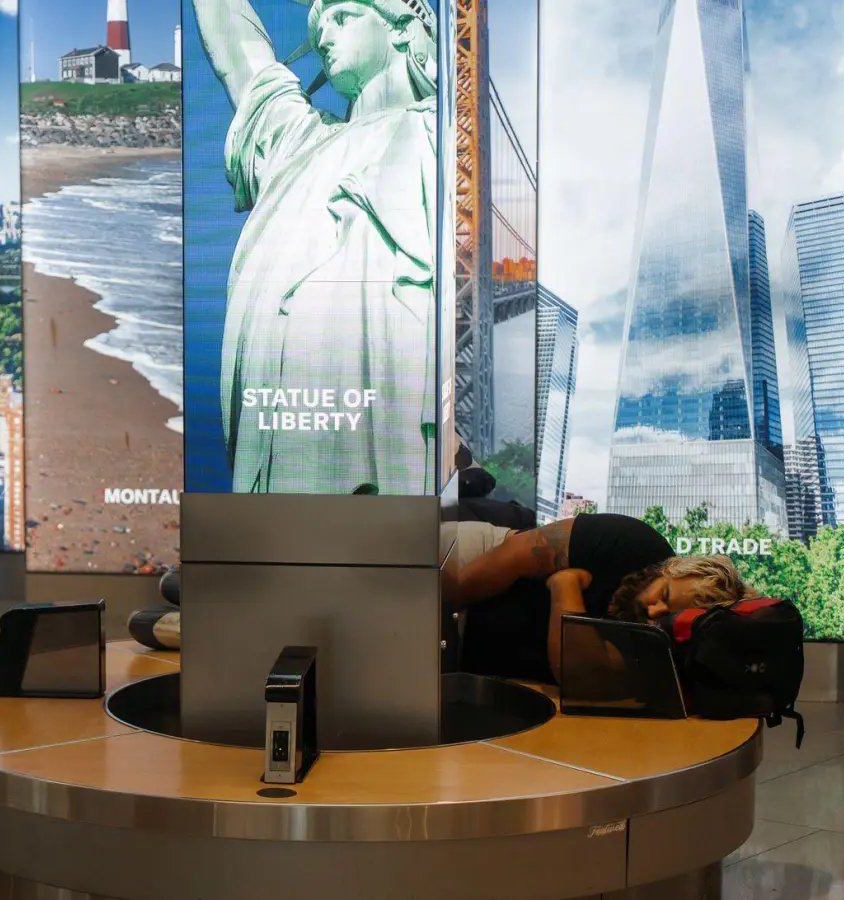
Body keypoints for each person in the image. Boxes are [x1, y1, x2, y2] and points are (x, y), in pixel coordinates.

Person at [195, 0, 445, 494]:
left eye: (343, 16)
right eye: (319, 26)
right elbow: (237, 48)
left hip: (390, 404)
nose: (325, 36)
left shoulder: (444, 136)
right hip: (289, 429)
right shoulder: (299, 141)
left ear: (402, 29)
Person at [449, 513, 752, 684]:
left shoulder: (658, 647)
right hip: (476, 567)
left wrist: (564, 585)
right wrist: (434, 610)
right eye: (664, 594)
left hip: (476, 661)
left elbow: (577, 672)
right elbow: (514, 555)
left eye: (668, 615)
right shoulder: (632, 542)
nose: (655, 610)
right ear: (670, 570)